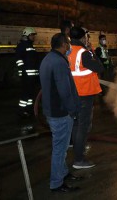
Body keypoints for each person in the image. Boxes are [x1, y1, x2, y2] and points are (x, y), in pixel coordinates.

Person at [39, 33, 82, 193]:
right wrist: (73, 110)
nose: (70, 46)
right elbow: (65, 91)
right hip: (61, 113)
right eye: (69, 43)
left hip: (52, 111)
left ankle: (63, 173)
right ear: (64, 44)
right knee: (60, 149)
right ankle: (56, 183)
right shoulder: (59, 62)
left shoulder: (48, 59)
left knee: (60, 147)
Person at [68, 27, 104, 169]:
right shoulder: (84, 53)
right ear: (83, 38)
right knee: (82, 127)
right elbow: (100, 67)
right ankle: (79, 160)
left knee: (76, 125)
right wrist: (92, 51)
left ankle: (74, 149)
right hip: (84, 94)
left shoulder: (68, 50)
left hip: (73, 93)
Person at [15, 27, 41, 117]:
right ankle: (21, 111)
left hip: (32, 77)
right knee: (25, 94)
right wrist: (23, 72)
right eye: (32, 35)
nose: (34, 37)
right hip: (26, 76)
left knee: (30, 94)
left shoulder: (30, 46)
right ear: (27, 35)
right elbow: (19, 60)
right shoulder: (22, 46)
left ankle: (29, 110)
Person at [95, 34, 114, 102]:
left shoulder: (104, 48)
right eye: (103, 39)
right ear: (99, 40)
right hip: (102, 68)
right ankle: (102, 95)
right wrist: (106, 60)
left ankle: (104, 94)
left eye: (105, 39)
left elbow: (106, 56)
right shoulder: (98, 49)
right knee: (103, 81)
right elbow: (98, 59)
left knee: (106, 81)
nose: (104, 41)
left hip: (107, 68)